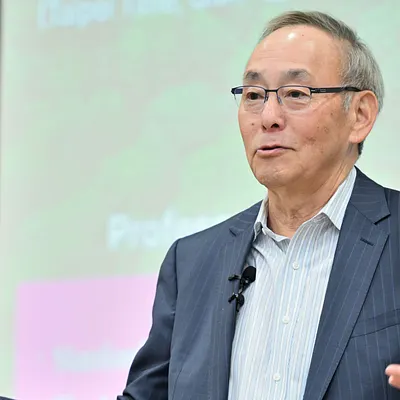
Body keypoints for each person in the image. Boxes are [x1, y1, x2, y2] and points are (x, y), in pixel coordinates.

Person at [118, 10, 400, 400]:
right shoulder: (193, 261)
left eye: (296, 94)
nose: (268, 117)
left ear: (360, 115)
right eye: (253, 96)